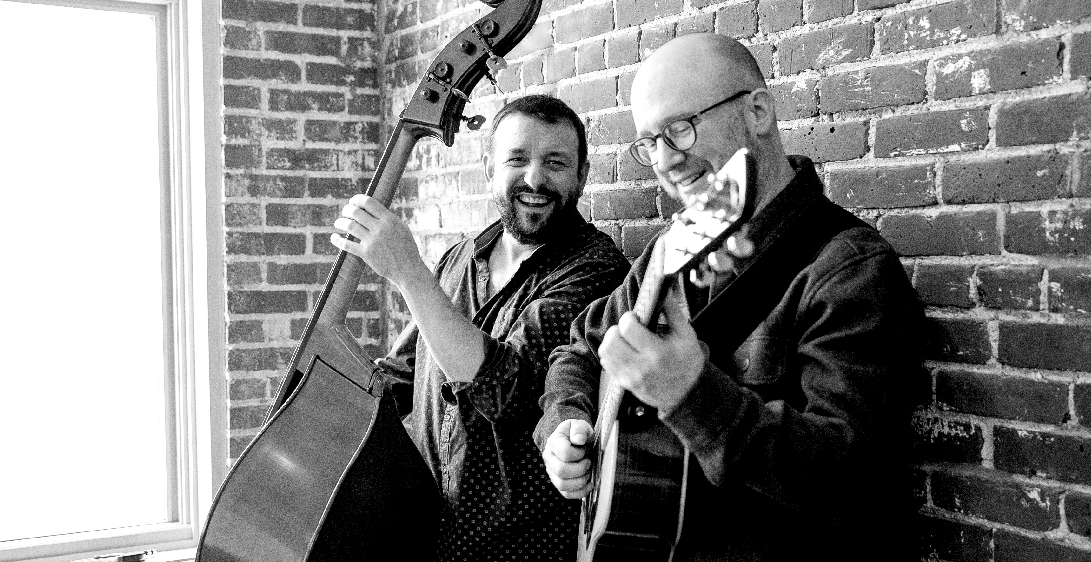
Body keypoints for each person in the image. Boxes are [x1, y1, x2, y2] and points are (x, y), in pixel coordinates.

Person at [536, 33, 924, 561]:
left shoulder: (848, 272)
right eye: (650, 142)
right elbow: (579, 348)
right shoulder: (673, 249)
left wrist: (690, 393)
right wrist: (565, 425)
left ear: (758, 111)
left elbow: (850, 481)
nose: (666, 161)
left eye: (680, 129)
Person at [331, 94, 630, 562]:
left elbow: (504, 390)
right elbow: (399, 378)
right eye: (518, 159)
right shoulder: (458, 259)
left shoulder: (594, 269)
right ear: (489, 168)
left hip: (518, 549)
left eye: (555, 162)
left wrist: (408, 272)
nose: (535, 178)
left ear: (582, 175)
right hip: (427, 537)